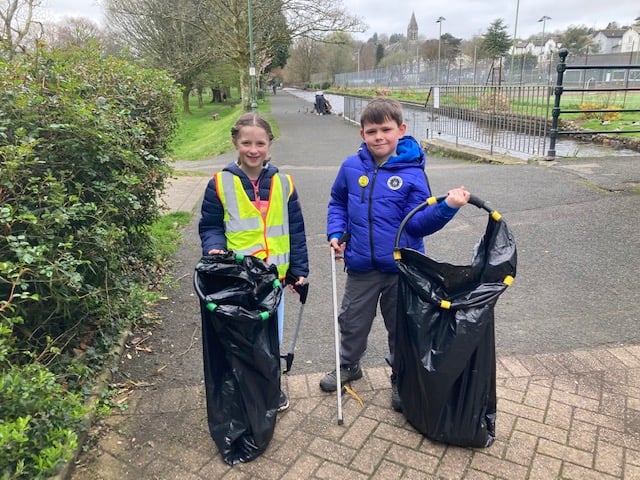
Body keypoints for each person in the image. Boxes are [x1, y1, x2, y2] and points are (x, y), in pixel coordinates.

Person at [321, 97, 470, 412]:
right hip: (360, 265)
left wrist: (448, 208)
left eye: (385, 129)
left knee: (401, 325)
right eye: (371, 131)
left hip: (401, 268)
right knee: (351, 320)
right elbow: (337, 203)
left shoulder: (414, 173)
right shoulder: (350, 168)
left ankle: (401, 374)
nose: (379, 137)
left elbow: (419, 223)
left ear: (400, 130)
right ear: (362, 134)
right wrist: (336, 233)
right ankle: (348, 364)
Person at [199, 112, 309, 412]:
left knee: (271, 336)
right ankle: (241, 389)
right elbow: (210, 226)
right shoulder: (220, 183)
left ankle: (270, 388)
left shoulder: (284, 183)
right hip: (238, 279)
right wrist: (214, 248)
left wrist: (298, 270)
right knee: (239, 337)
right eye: (246, 142)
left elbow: (296, 229)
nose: (253, 149)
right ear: (235, 142)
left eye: (260, 143)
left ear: (270, 144)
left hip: (273, 279)